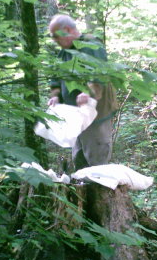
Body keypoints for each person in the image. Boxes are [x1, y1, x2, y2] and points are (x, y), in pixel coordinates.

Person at [48, 14, 118, 170]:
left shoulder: (91, 45)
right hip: (76, 117)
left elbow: (99, 74)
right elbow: (55, 80)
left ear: (67, 30)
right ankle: (81, 192)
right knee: (79, 159)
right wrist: (55, 97)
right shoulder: (64, 53)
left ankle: (100, 192)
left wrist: (89, 92)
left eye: (56, 37)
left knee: (97, 163)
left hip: (95, 117)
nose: (55, 41)